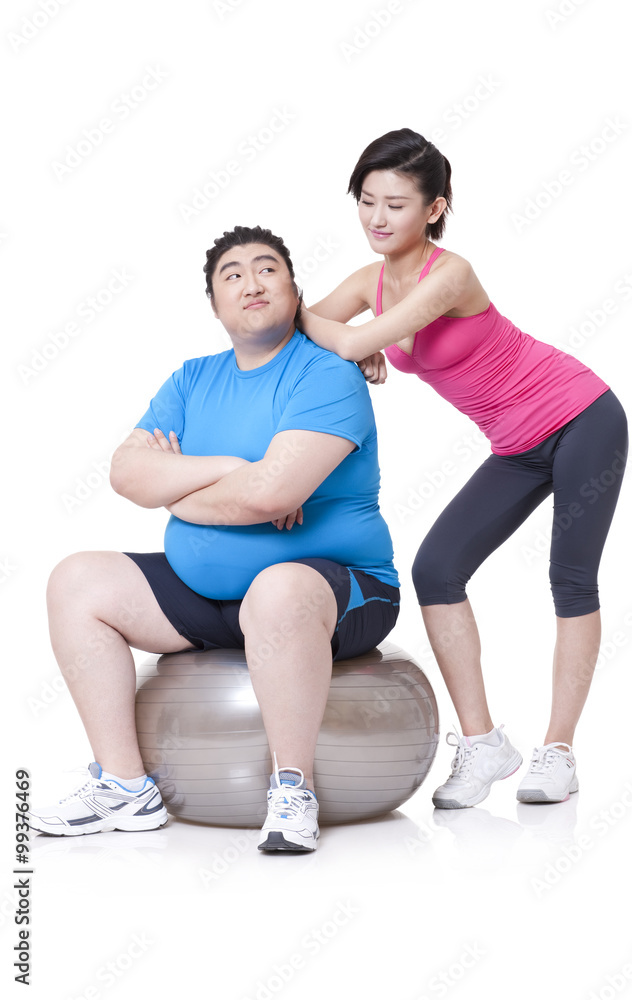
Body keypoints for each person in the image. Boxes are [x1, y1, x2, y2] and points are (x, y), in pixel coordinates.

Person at [29, 225, 400, 851]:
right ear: (214, 302)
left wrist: (180, 493)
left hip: (336, 592)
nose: (250, 283)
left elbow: (274, 496)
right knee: (76, 581)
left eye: (266, 269)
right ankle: (125, 787)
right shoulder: (192, 379)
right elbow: (127, 472)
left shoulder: (326, 374)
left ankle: (292, 787)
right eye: (231, 274)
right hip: (207, 594)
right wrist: (232, 470)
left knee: (278, 590)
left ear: (294, 288)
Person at [299, 128, 628, 808]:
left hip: (581, 416)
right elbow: (299, 325)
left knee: (568, 578)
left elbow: (348, 334)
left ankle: (558, 752)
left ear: (434, 209)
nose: (377, 218)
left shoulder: (449, 274)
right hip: (513, 444)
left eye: (395, 204)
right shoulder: (371, 280)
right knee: (436, 570)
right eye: (365, 201)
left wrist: (359, 346)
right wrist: (352, 349)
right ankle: (482, 745)